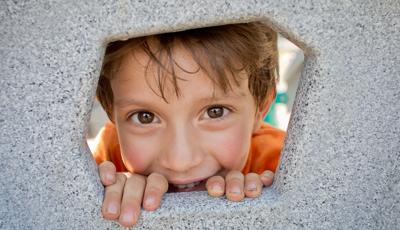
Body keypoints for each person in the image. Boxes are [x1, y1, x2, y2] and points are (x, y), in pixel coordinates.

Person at [92, 22, 286, 227]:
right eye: (144, 117)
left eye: (215, 112)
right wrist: (111, 202)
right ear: (110, 112)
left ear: (261, 108)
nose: (180, 162)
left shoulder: (284, 166)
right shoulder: (108, 163)